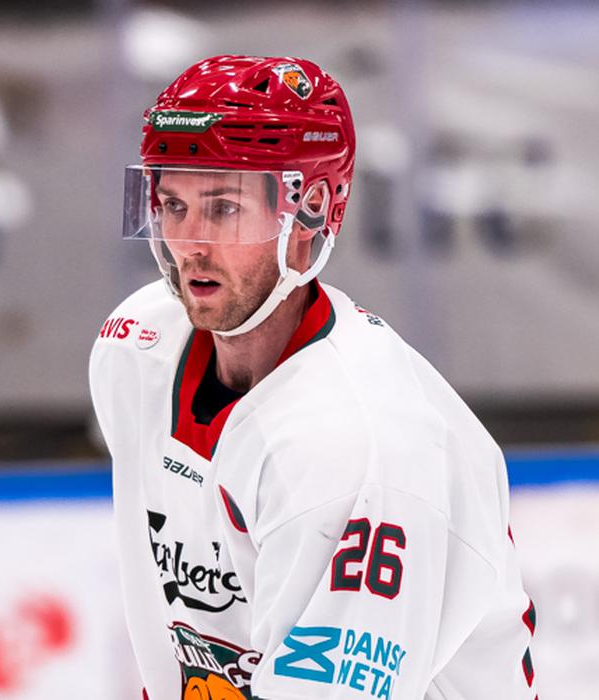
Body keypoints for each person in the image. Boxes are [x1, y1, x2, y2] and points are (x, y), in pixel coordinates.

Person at [90, 55, 538, 700]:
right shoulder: (138, 349)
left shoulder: (355, 444)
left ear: (309, 212)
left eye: (222, 208)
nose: (189, 243)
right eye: (172, 204)